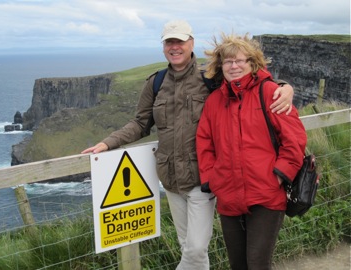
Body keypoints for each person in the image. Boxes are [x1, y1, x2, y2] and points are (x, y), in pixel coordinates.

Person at [82, 21, 294, 270]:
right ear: (163, 47)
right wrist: (108, 143)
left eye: (180, 41)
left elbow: (247, 81)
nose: (175, 47)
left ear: (191, 43)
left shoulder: (210, 78)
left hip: (201, 180)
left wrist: (284, 87)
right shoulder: (156, 83)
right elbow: (140, 123)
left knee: (195, 248)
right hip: (170, 180)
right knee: (188, 247)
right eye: (169, 42)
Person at [196, 32, 307, 270]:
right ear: (220, 65)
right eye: (228, 61)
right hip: (228, 196)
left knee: (257, 264)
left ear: (252, 63)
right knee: (238, 264)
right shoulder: (214, 101)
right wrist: (211, 179)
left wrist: (279, 175)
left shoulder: (270, 93)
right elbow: (205, 142)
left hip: (266, 195)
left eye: (240, 60)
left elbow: (294, 139)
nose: (234, 66)